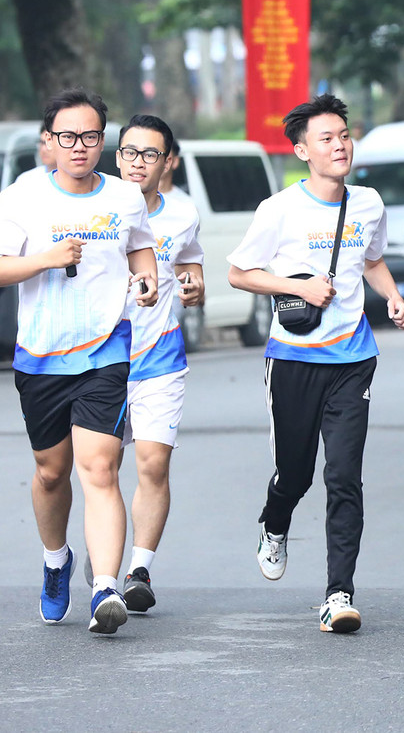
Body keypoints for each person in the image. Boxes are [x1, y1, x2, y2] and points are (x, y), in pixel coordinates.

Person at [228, 94, 404, 633]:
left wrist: (394, 297)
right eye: (326, 138)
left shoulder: (369, 203)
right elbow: (240, 272)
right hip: (292, 359)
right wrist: (297, 286)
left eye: (344, 135)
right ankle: (276, 521)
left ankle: (339, 593)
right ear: (302, 149)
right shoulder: (279, 209)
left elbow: (371, 260)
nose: (340, 145)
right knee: (295, 473)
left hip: (353, 358)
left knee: (344, 477)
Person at [0, 88, 158, 634]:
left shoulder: (124, 197)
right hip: (41, 356)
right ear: (49, 142)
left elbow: (140, 247)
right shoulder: (23, 197)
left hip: (104, 350)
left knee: (100, 467)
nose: (80, 147)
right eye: (68, 137)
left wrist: (148, 280)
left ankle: (105, 587)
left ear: (102, 141)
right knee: (51, 473)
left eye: (91, 137)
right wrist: (46, 258)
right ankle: (55, 561)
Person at [113, 114, 205, 612]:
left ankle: (138, 569)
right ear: (118, 155)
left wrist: (193, 282)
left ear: (166, 161)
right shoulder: (98, 208)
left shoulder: (183, 213)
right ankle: (105, 549)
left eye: (150, 154)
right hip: (99, 360)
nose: (137, 163)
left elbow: (190, 259)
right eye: (129, 152)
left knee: (153, 462)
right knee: (102, 468)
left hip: (160, 356)